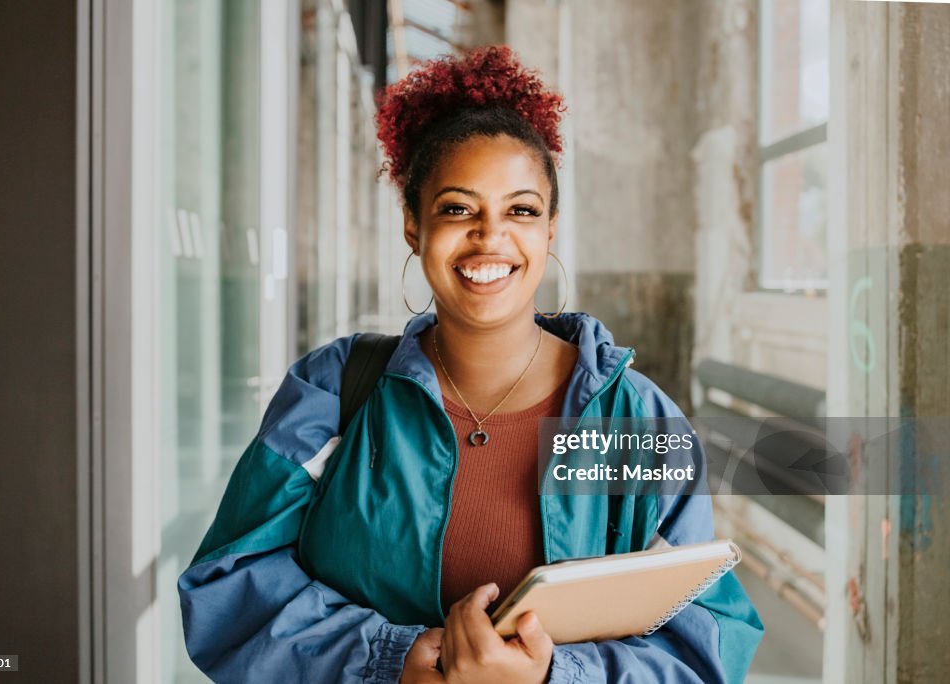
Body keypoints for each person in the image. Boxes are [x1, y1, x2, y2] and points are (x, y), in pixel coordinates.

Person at [179, 46, 763, 683]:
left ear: (550, 229)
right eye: (458, 209)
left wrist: (553, 677)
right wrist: (390, 661)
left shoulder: (639, 424)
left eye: (521, 210)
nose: (491, 237)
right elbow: (226, 587)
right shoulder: (335, 392)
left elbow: (709, 642)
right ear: (412, 223)